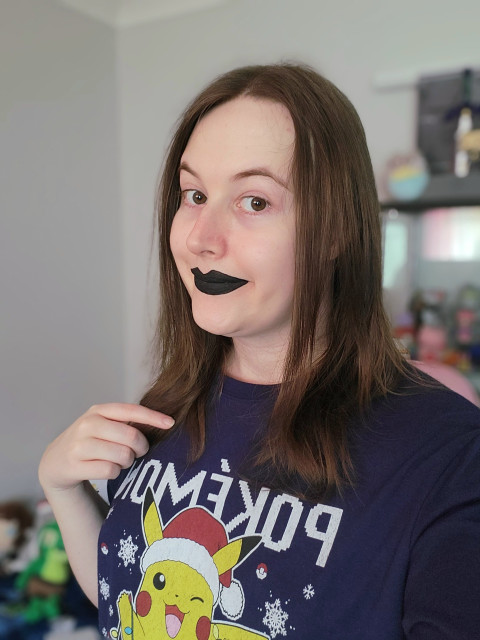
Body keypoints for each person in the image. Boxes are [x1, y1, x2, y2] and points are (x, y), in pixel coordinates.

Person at [39, 63, 480, 640]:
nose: (201, 236)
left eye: (254, 202)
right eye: (194, 194)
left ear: (340, 228)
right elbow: (131, 593)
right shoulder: (167, 406)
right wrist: (62, 488)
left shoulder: (449, 459)